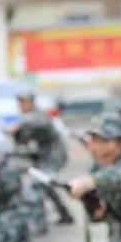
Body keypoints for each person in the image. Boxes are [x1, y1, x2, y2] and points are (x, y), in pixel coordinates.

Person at [12, 91, 75, 225]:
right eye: (20, 102)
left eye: (25, 102)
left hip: (54, 155)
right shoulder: (25, 116)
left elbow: (36, 124)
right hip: (44, 155)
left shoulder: (38, 115)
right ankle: (65, 214)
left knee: (37, 185)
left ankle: (39, 223)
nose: (22, 105)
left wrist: (18, 128)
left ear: (32, 103)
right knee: (45, 184)